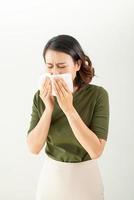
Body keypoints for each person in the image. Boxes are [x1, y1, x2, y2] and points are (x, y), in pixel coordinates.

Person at [26, 34, 110, 200]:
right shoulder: (40, 96)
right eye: (49, 66)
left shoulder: (97, 95)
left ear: (77, 64)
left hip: (86, 180)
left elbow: (95, 150)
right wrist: (49, 108)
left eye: (61, 66)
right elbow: (33, 148)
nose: (55, 72)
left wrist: (69, 109)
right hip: (51, 179)